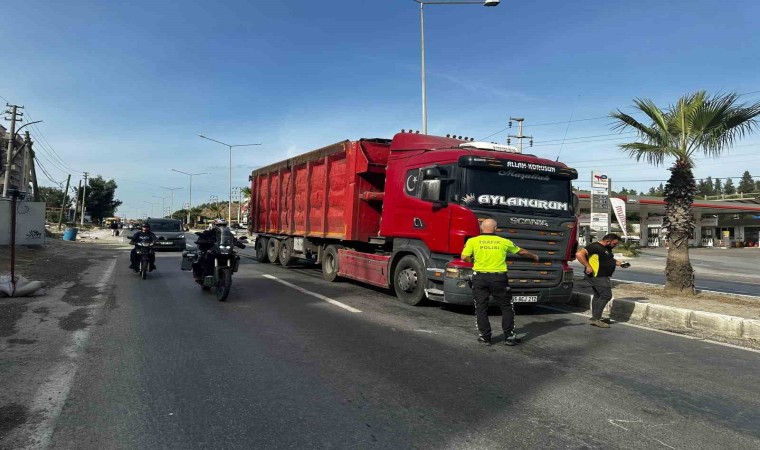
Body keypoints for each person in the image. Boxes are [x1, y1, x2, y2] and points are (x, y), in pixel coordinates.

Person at [461, 218, 540, 346]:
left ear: (481, 228)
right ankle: (509, 336)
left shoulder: (473, 241)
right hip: (499, 279)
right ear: (496, 228)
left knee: (481, 307)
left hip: (480, 278)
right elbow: (521, 252)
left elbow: (464, 257)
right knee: (506, 307)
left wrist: (473, 261)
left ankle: (485, 337)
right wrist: (534, 256)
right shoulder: (503, 242)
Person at [575, 233, 630, 328]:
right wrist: (587, 266)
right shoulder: (595, 246)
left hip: (602, 276)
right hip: (597, 276)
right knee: (606, 295)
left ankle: (595, 317)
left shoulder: (607, 249)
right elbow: (579, 254)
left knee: (598, 295)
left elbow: (609, 260)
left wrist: (620, 264)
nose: (615, 245)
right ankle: (596, 319)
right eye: (614, 243)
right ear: (608, 241)